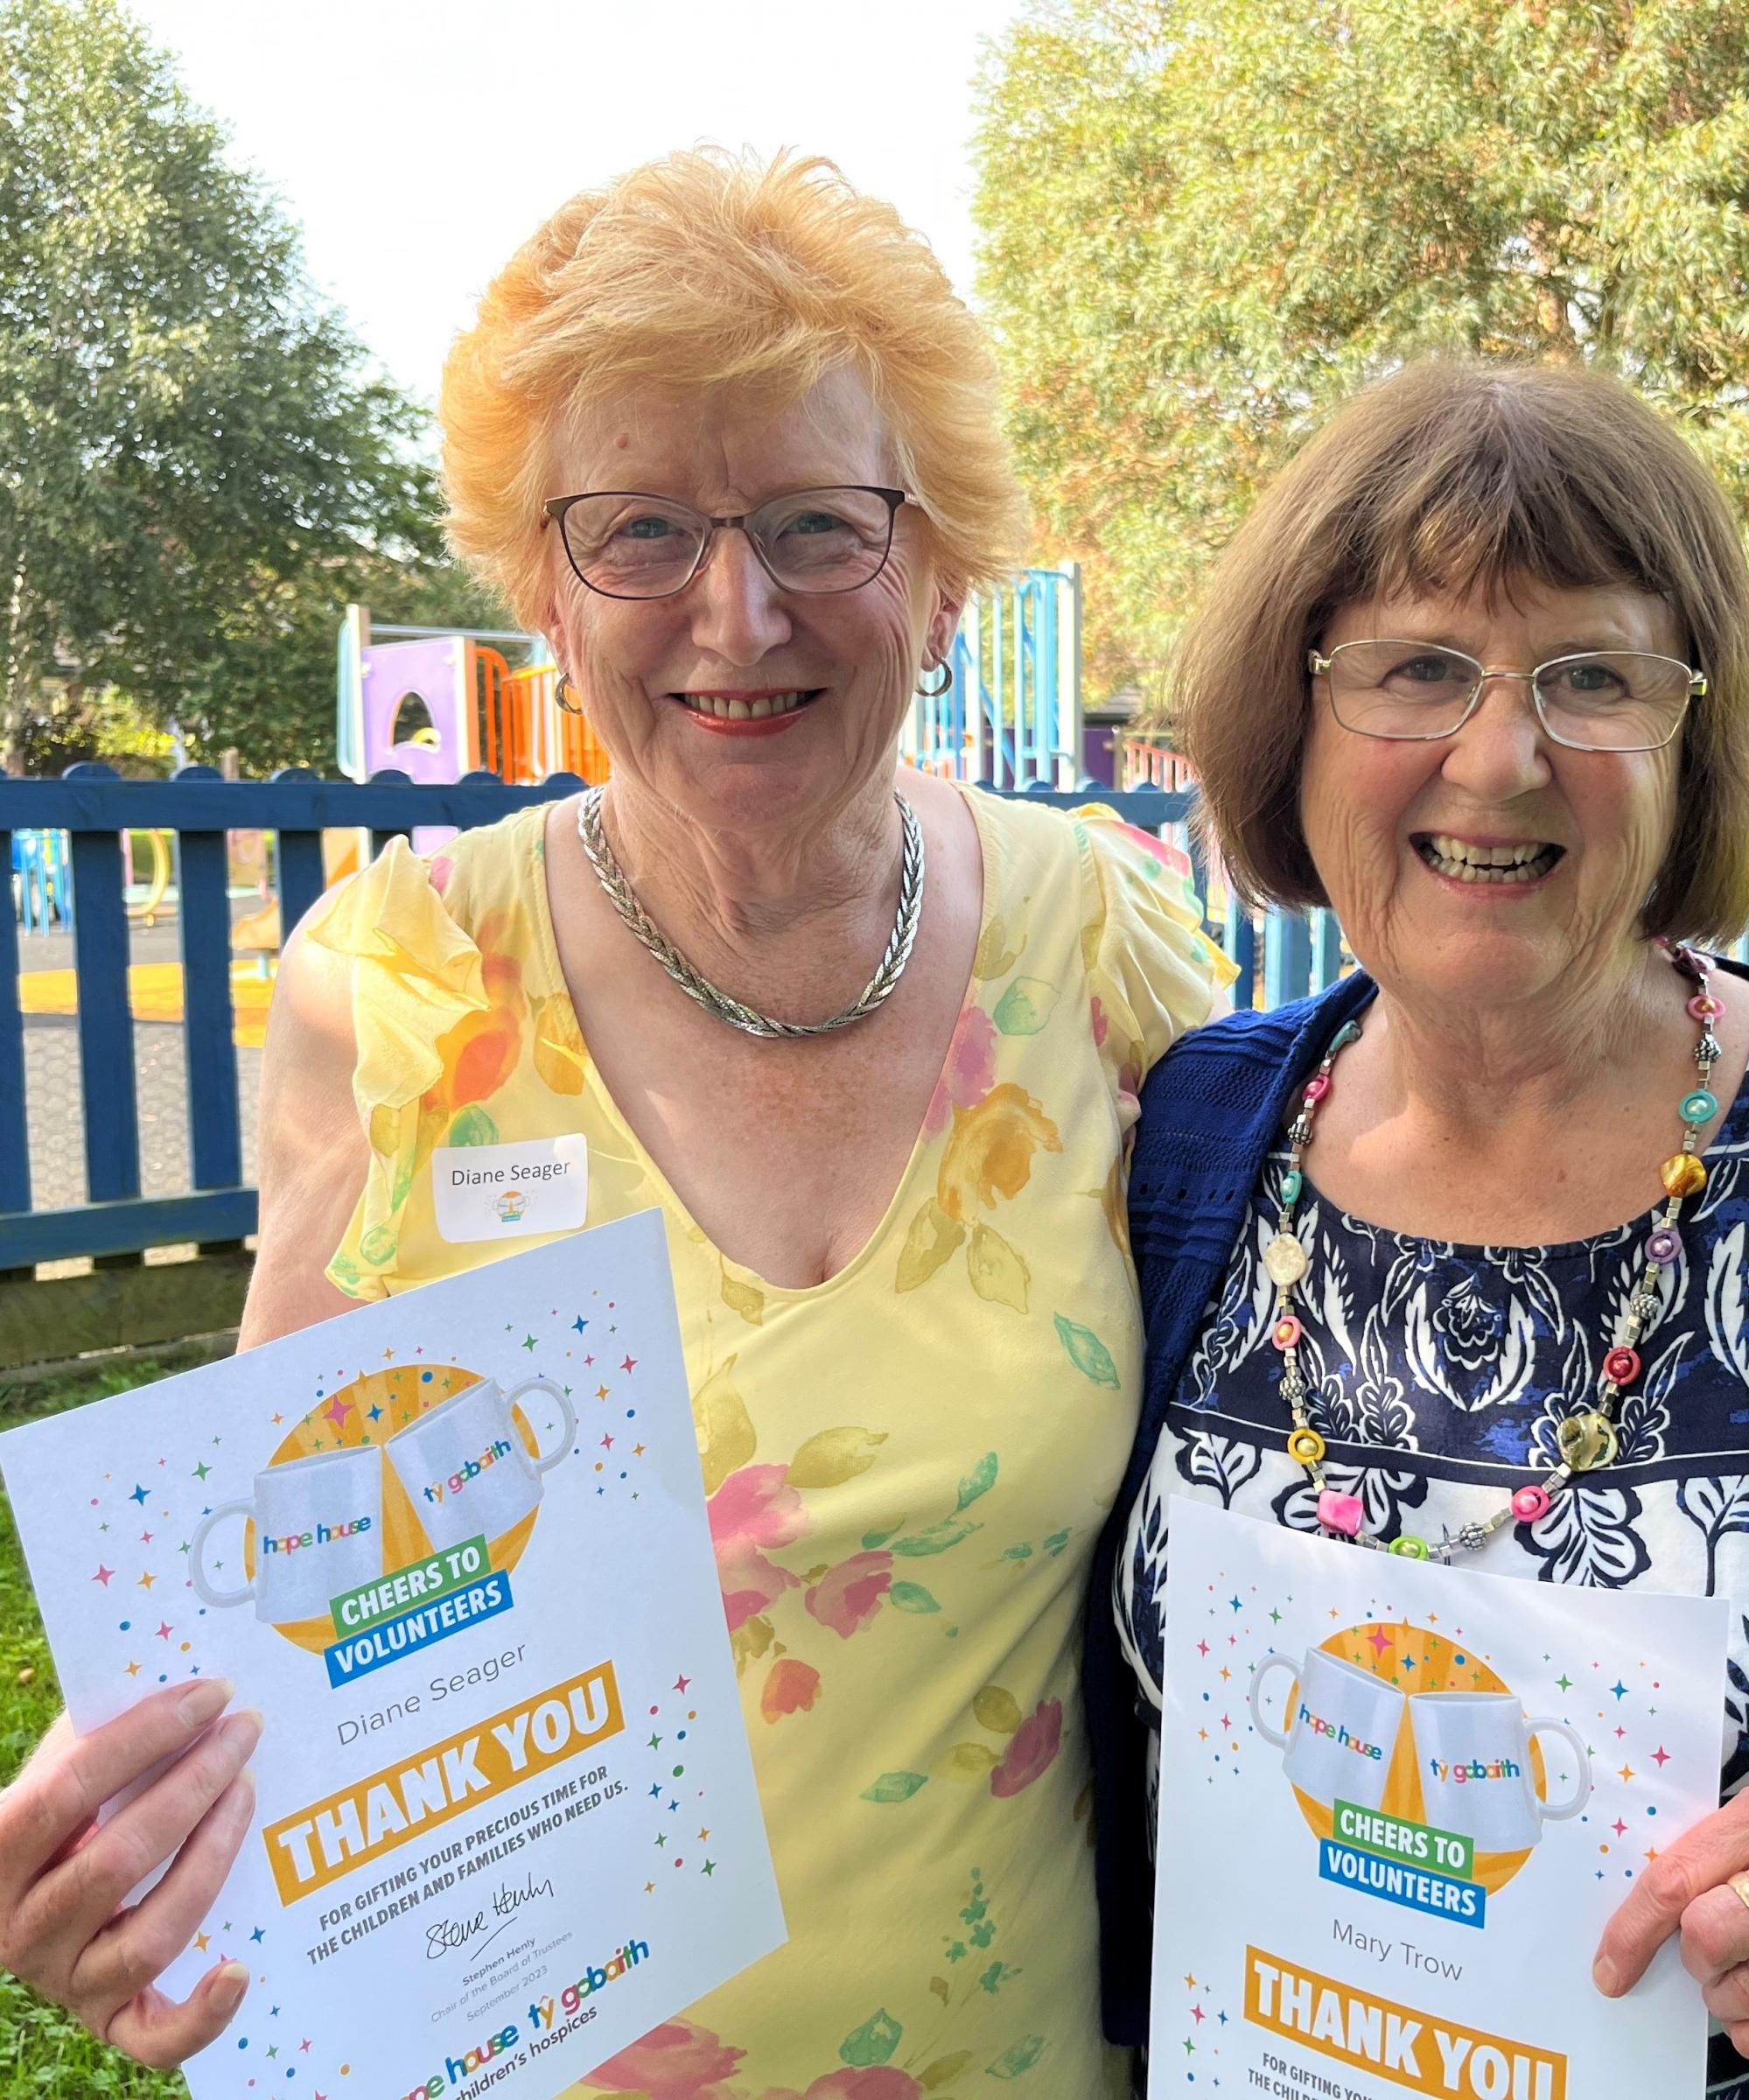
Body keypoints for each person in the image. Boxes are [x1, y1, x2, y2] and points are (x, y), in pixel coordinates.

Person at [0, 149, 1228, 2096]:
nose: (736, 614)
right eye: (639, 529)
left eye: (821, 523)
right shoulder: (396, 983)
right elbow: (278, 1598)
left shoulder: (1102, 939)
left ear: (941, 574)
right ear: (545, 599)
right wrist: (140, 1838)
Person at [1087, 358, 1749, 2097]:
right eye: (1416, 667)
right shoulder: (1189, 1143)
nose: (1501, 753)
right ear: (1295, 718)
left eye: (1590, 676)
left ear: (1688, 731)